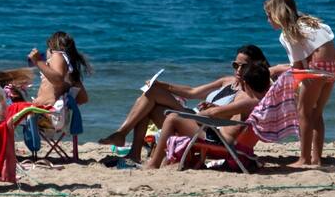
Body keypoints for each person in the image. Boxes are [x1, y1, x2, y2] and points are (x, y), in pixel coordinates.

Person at [97, 45, 270, 163]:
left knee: (152, 97)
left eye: (244, 66)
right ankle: (133, 152)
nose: (238, 70)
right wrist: (160, 83)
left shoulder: (246, 94)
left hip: (204, 125)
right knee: (149, 98)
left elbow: (227, 117)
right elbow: (192, 92)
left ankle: (124, 137)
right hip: (195, 118)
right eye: (235, 65)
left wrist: (214, 108)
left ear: (253, 67)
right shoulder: (227, 81)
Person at [145, 59, 272, 169]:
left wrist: (197, 115)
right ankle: (168, 160)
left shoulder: (248, 101)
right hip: (230, 140)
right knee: (179, 119)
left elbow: (213, 113)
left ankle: (153, 164)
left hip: (221, 141)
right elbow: (227, 115)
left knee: (173, 118)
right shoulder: (264, 101)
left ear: (246, 83)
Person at [264, 0, 335, 168]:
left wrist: (276, 70)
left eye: (269, 16)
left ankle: (304, 159)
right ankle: (316, 159)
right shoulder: (312, 22)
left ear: (277, 14)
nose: (268, 20)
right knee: (316, 113)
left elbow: (298, 68)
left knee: (303, 113)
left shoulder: (289, 33)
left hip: (316, 70)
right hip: (334, 68)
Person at [28, 31, 91, 108]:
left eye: (48, 48)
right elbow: (83, 98)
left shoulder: (57, 55)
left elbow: (58, 80)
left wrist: (38, 61)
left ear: (51, 46)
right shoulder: (70, 69)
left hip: (48, 112)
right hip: (59, 112)